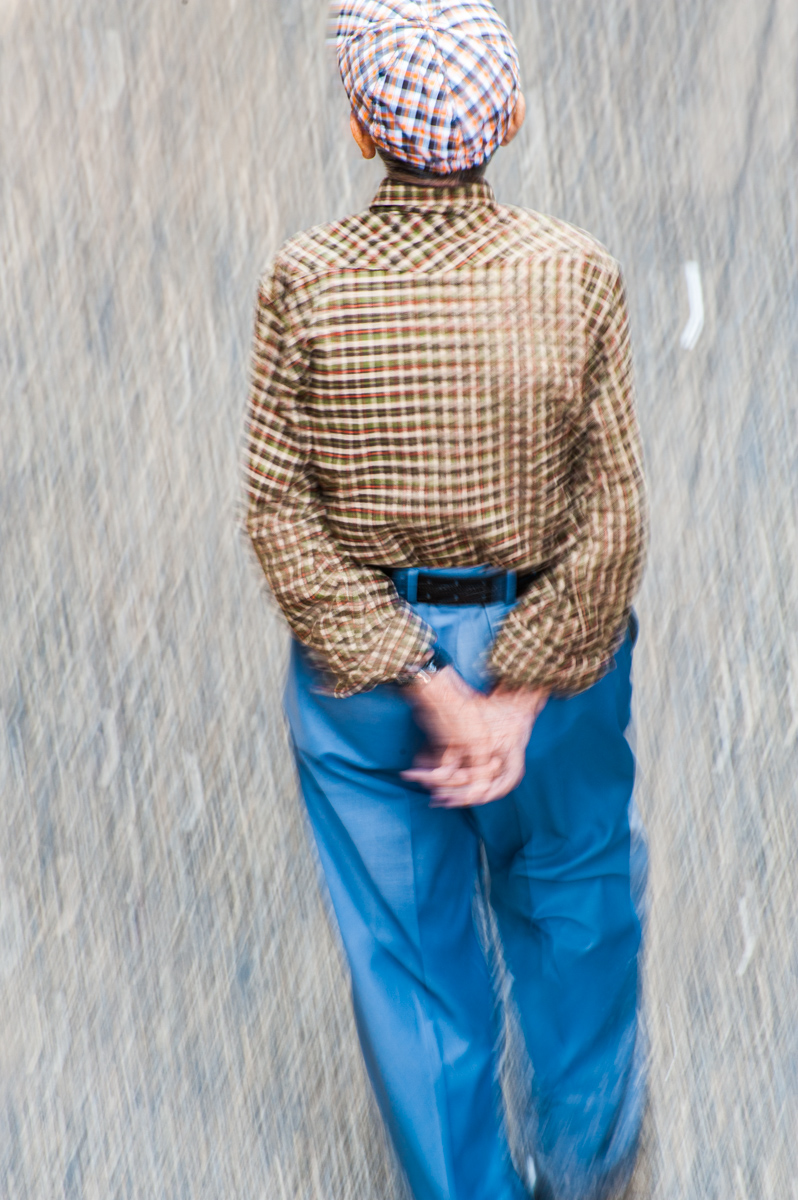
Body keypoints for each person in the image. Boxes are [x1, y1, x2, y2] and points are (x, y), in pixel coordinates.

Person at [243, 3, 649, 1197]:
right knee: (574, 898)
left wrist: (426, 679)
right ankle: (587, 1153)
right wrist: (512, 698)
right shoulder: (576, 273)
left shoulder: (303, 285)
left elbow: (280, 515)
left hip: (372, 681)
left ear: (365, 129)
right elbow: (613, 524)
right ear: (509, 117)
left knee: (413, 963)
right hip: (555, 665)